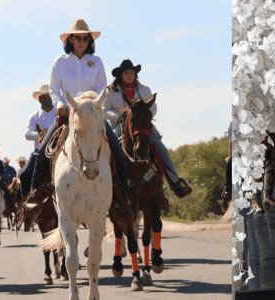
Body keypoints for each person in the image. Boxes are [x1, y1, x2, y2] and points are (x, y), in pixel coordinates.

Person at [29, 19, 129, 206]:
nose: (82, 41)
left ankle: (124, 195)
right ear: (71, 40)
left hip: (93, 115)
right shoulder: (60, 62)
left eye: (85, 38)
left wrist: (93, 105)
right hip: (68, 114)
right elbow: (54, 89)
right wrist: (59, 105)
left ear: (89, 41)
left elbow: (102, 89)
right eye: (78, 38)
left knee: (117, 150)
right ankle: (34, 193)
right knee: (41, 153)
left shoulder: (96, 62)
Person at [104, 59, 192, 198]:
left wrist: (145, 115)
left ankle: (175, 182)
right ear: (120, 75)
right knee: (109, 148)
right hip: (120, 125)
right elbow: (105, 110)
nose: (129, 75)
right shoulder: (110, 92)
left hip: (141, 126)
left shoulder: (145, 90)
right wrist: (118, 116)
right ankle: (105, 184)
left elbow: (153, 106)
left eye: (132, 72)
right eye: (126, 73)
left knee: (161, 149)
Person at [20, 84, 56, 197]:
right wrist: (39, 134)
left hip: (59, 148)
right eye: (41, 98)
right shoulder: (34, 116)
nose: (44, 100)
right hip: (39, 151)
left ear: (51, 97)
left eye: (46, 97)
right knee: (24, 175)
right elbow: (27, 134)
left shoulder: (59, 111)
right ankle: (26, 205)